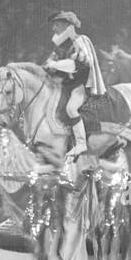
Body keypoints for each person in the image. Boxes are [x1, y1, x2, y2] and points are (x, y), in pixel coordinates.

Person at [43, 11, 105, 159]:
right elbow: (49, 64)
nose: (54, 29)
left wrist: (55, 64)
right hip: (65, 86)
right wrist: (48, 66)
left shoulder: (80, 41)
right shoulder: (59, 47)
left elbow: (79, 64)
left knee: (71, 108)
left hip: (80, 85)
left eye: (56, 25)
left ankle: (81, 143)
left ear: (66, 26)